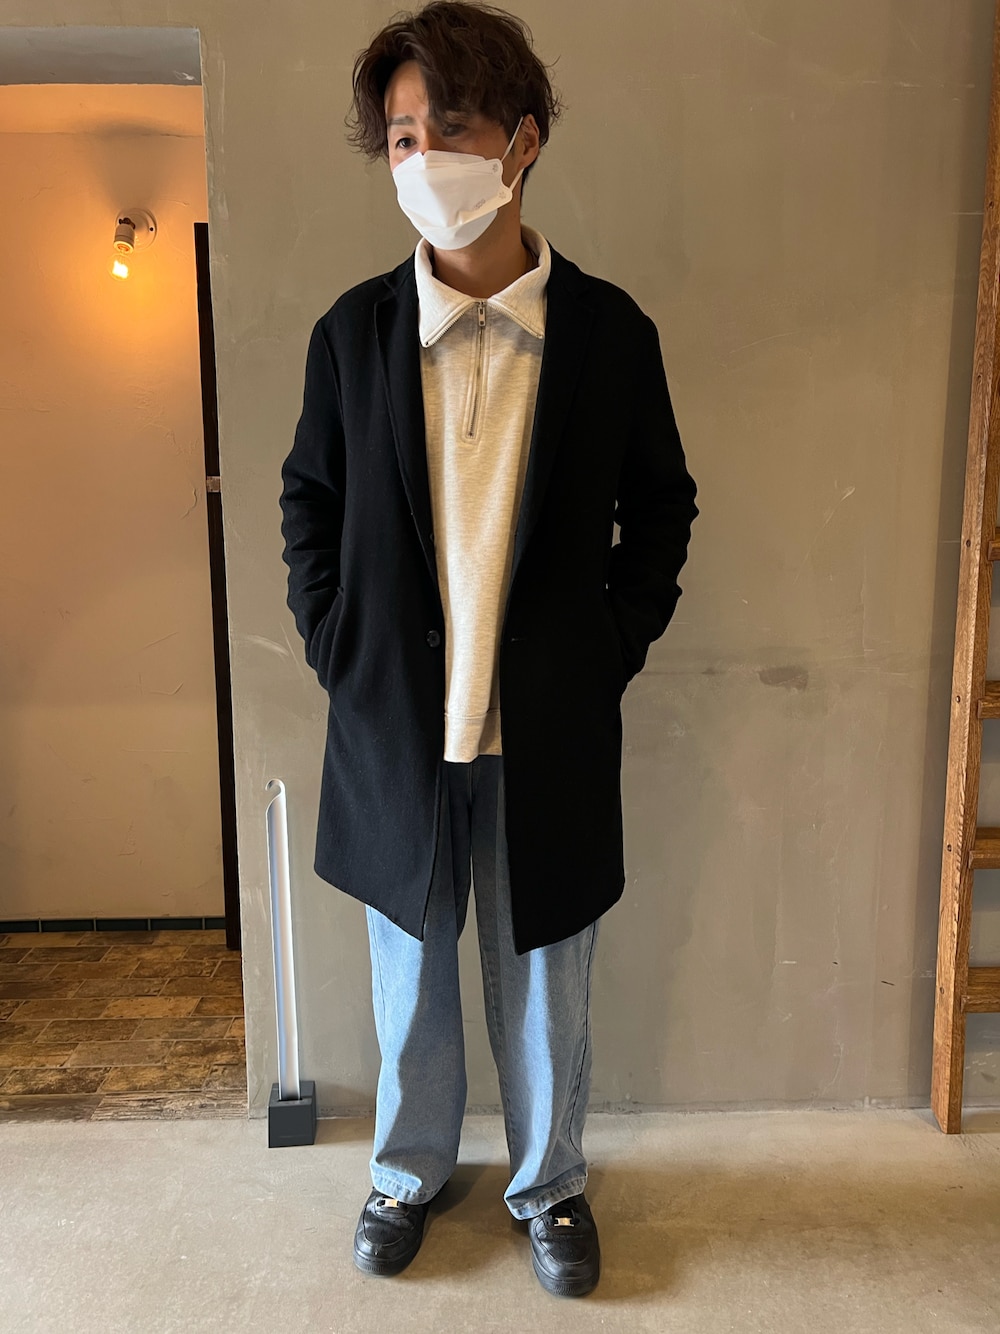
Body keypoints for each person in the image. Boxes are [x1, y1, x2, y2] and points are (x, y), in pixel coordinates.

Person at [279, 0, 697, 1298]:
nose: (421, 160)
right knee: (407, 986)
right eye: (401, 136)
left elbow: (662, 507)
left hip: (545, 728)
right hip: (400, 726)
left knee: (545, 983)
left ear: (521, 140)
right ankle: (404, 1173)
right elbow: (308, 503)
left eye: (447, 127)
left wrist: (609, 647)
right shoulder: (353, 334)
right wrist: (341, 645)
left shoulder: (608, 334)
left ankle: (549, 1183)